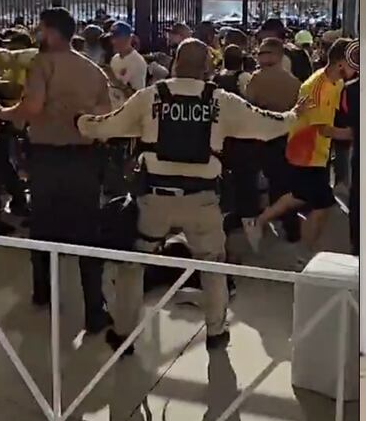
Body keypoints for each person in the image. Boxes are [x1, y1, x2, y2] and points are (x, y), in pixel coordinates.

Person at [76, 38, 310, 353]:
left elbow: (108, 126)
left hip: (154, 199)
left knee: (134, 264)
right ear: (206, 68)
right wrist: (296, 114)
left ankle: (124, 333)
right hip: (202, 201)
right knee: (212, 265)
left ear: (174, 63)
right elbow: (267, 126)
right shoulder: (220, 100)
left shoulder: (150, 97)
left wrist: (81, 122)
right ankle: (216, 333)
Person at [0, 7, 113, 334]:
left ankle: (42, 292)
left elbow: (31, 107)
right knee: (88, 232)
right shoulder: (94, 71)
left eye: (40, 29)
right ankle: (94, 308)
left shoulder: (41, 64)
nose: (36, 33)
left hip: (48, 159)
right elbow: (105, 116)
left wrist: (3, 113)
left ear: (51, 31)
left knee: (44, 227)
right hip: (85, 160)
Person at [246, 39, 358, 267]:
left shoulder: (336, 84)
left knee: (299, 197)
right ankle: (304, 254)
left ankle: (259, 221)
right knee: (322, 204)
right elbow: (323, 128)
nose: (355, 69)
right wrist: (354, 134)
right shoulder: (315, 87)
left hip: (316, 153)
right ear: (339, 63)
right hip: (305, 154)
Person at [243, 37, 303, 241]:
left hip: (261, 137)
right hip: (285, 137)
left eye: (264, 53)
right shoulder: (294, 82)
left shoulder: (256, 79)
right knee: (283, 183)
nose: (261, 57)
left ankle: (260, 221)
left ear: (277, 56)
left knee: (257, 181)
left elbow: (248, 107)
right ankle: (289, 226)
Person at [109, 21, 147, 100]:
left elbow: (137, 95)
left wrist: (115, 80)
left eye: (118, 38)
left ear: (128, 39)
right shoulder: (114, 59)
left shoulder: (137, 61)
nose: (114, 41)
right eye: (112, 37)